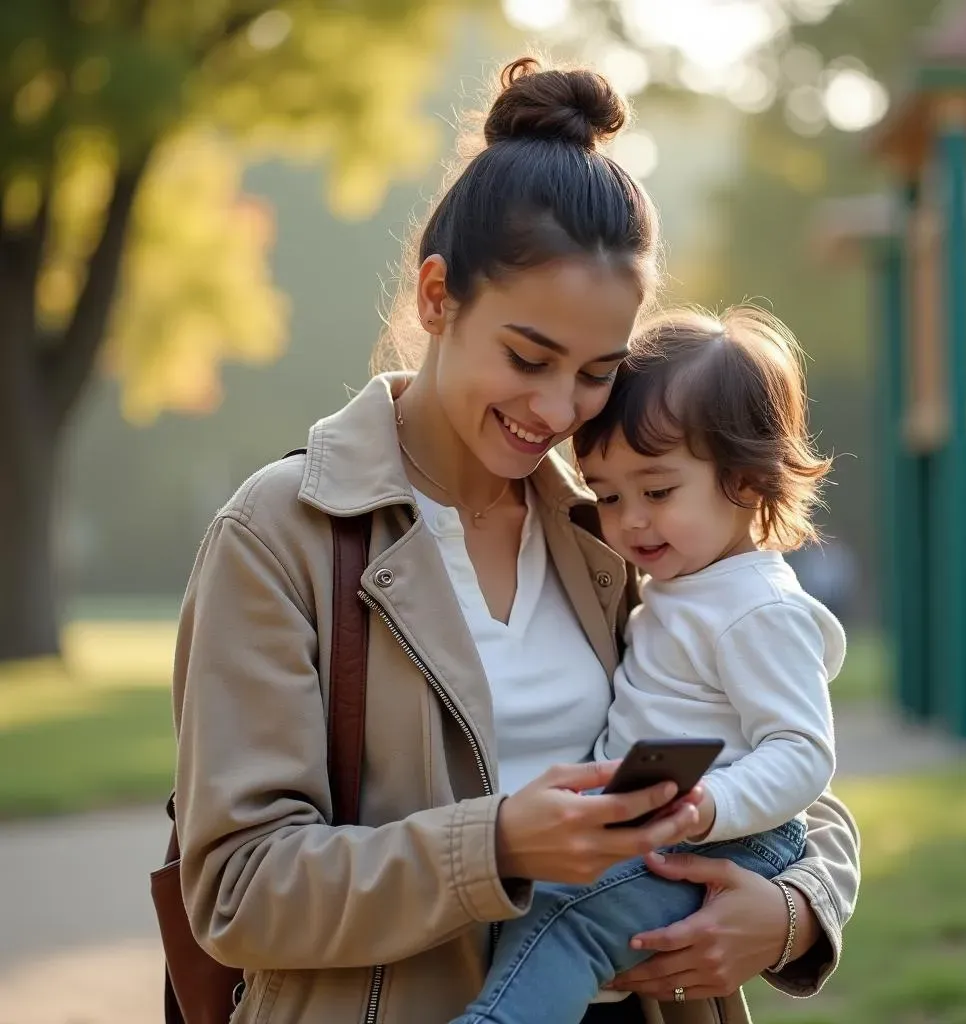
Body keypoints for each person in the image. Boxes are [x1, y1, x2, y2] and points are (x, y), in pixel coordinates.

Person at [171, 58, 859, 1024]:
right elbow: (238, 889)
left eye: (595, 374)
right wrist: (496, 845)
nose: (555, 410)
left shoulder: (614, 530)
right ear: (438, 297)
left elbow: (775, 765)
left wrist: (788, 913)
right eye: (528, 358)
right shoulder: (281, 533)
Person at [453, 308, 845, 1024]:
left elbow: (802, 752)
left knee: (561, 921)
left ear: (748, 482)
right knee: (544, 907)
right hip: (663, 828)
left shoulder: (756, 607)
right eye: (607, 496)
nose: (630, 519)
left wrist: (707, 806)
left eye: (658, 492)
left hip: (730, 838)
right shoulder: (678, 586)